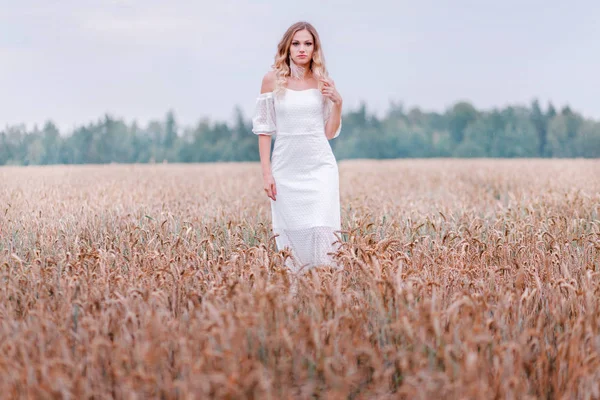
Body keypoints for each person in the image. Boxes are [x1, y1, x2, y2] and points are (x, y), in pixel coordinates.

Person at [251, 21, 343, 273]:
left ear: (315, 49)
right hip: (286, 169)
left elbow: (329, 133)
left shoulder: (323, 82)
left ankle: (324, 289)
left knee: (322, 228)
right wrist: (267, 173)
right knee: (291, 234)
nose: (302, 49)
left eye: (308, 43)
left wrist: (338, 103)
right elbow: (263, 130)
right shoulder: (271, 81)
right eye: (296, 43)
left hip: (320, 167)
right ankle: (297, 292)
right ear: (287, 47)